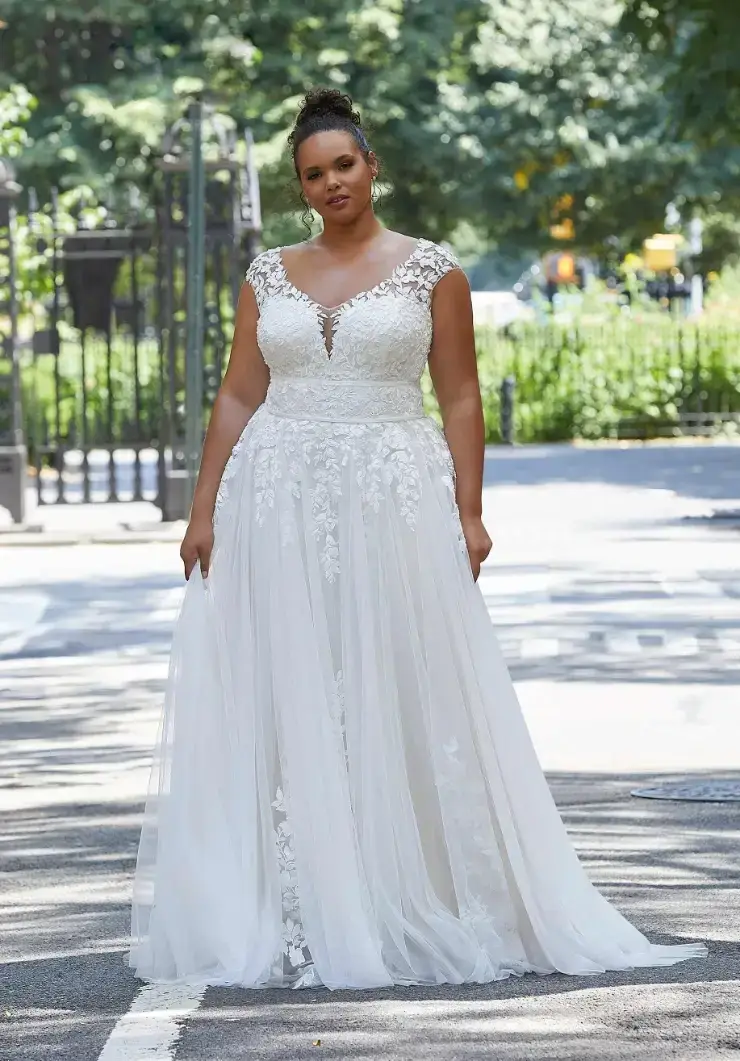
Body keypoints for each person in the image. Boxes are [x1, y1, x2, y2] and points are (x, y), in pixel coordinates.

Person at [128, 88, 707, 991]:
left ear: (373, 165)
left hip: (392, 493)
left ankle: (407, 889)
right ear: (301, 185)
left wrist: (469, 511)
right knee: (290, 690)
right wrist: (203, 507)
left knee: (397, 679)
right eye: (313, 174)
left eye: (344, 165)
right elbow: (240, 393)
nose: (331, 184)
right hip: (274, 495)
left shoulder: (431, 269)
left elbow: (462, 395)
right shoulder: (266, 273)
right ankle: (294, 894)